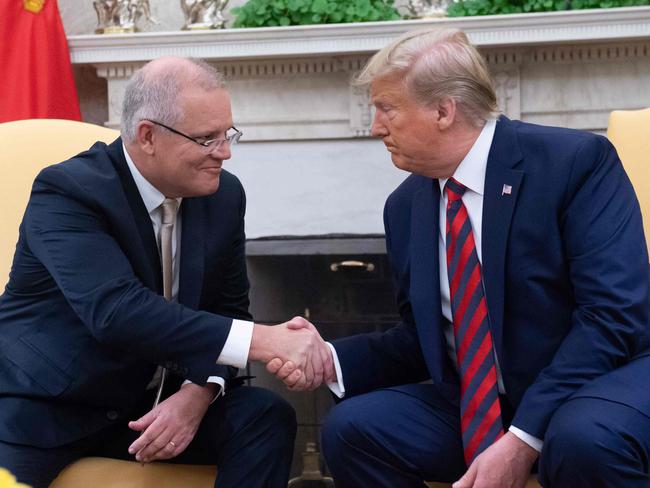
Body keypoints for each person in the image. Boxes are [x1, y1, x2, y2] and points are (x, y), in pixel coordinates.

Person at [269, 28, 650, 487]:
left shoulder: (573, 162)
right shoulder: (405, 206)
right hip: (489, 399)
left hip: (603, 380)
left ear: (443, 111)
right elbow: (425, 339)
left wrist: (523, 437)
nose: (375, 127)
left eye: (386, 108)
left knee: (581, 439)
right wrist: (329, 359)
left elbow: (612, 317)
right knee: (355, 429)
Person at [0, 57, 331, 488]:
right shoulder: (68, 191)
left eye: (228, 134)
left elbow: (228, 310)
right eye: (207, 138)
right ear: (148, 136)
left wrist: (198, 393)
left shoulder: (223, 195)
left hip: (151, 409)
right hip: (47, 408)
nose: (225, 152)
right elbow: (116, 311)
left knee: (264, 417)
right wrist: (268, 341)